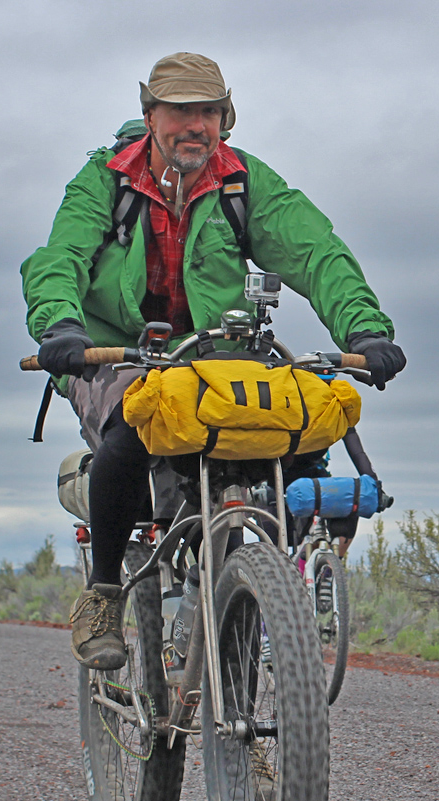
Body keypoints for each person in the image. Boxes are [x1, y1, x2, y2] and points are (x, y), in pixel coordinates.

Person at [20, 52, 405, 671]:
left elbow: (316, 253)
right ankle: (103, 593)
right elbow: (58, 257)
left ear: (226, 119)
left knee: (295, 432)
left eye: (208, 112)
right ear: (151, 116)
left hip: (218, 356)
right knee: (130, 432)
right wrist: (60, 325)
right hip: (116, 351)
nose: (194, 125)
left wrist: (364, 327)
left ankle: (267, 587)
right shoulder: (106, 181)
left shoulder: (244, 181)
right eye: (180, 111)